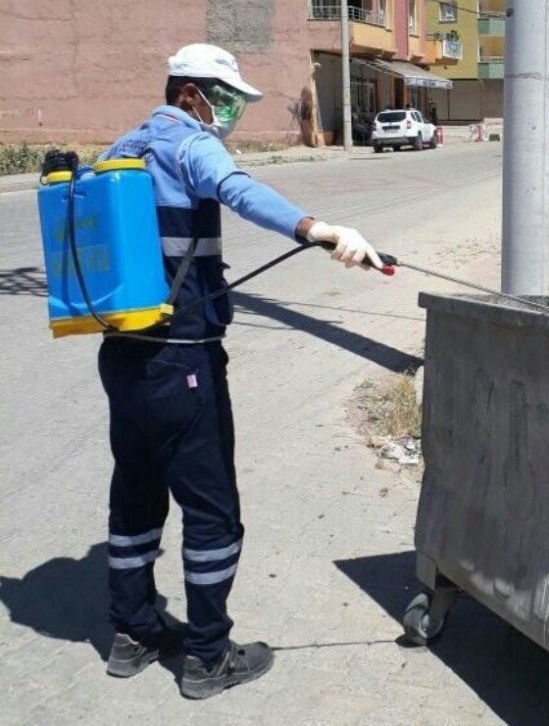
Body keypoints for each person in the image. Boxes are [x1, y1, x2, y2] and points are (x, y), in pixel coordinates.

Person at [97, 44, 383, 699]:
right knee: (213, 514)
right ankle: (206, 657)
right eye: (225, 97)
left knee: (135, 495)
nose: (231, 111)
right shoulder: (188, 142)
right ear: (191, 92)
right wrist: (321, 230)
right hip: (181, 357)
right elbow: (237, 188)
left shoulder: (122, 146)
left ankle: (132, 634)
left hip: (122, 355)